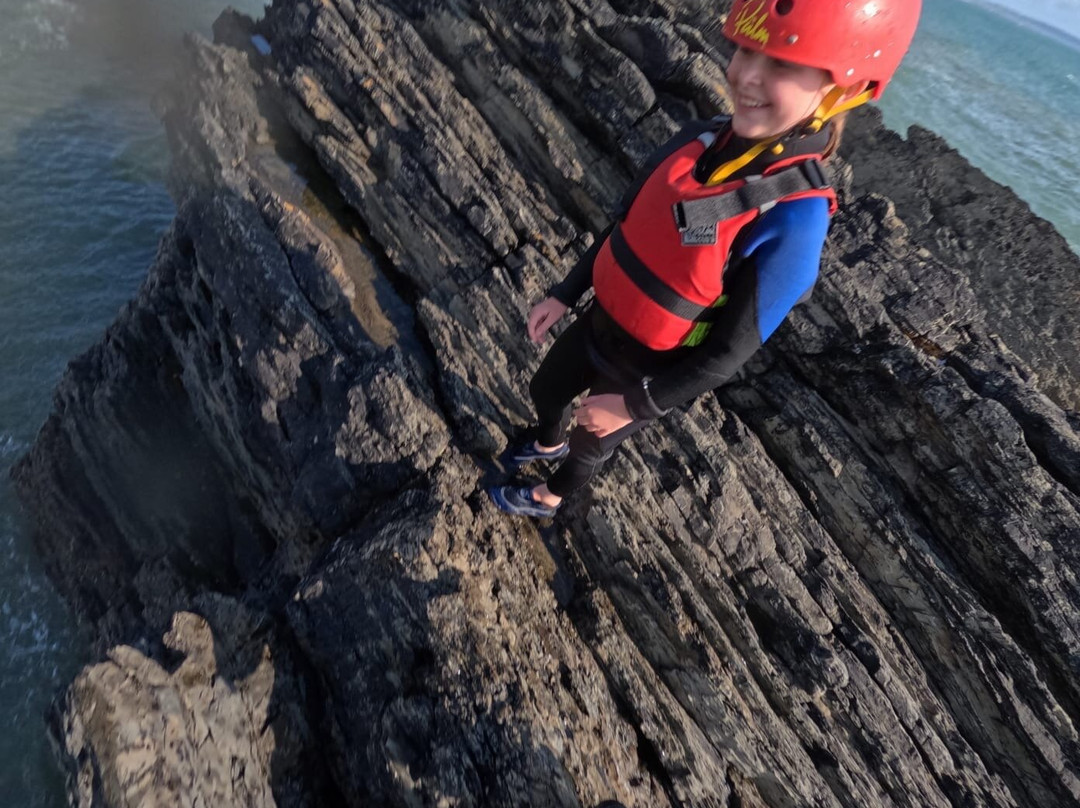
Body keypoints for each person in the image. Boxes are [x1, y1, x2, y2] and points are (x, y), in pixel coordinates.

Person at [490, 0, 922, 518]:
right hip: (598, 322)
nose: (747, 76)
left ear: (842, 91)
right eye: (747, 50)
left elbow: (726, 354)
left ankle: (550, 496)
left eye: (783, 63)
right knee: (546, 389)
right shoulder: (702, 140)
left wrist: (632, 406)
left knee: (590, 445)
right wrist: (564, 294)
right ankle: (545, 443)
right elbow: (628, 228)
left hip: (647, 369)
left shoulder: (796, 217)